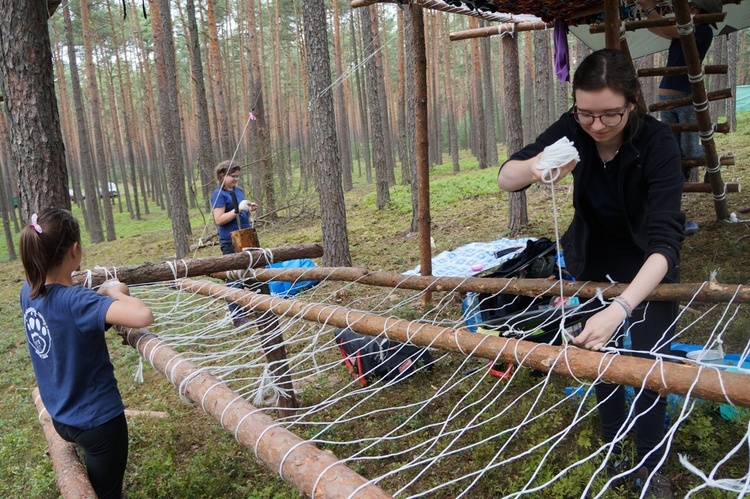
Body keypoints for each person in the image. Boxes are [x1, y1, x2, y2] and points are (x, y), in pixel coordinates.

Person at [498, 49, 684, 498]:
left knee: (649, 361)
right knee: (598, 356)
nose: (596, 126)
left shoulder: (659, 144)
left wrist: (621, 307)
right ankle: (612, 447)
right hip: (592, 262)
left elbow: (665, 244)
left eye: (609, 115)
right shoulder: (572, 129)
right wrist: (537, 166)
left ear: (633, 101)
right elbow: (507, 176)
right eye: (586, 114)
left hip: (647, 267)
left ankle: (650, 462)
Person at [20, 208, 154, 498]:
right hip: (98, 424)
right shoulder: (78, 302)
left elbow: (63, 313)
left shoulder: (27, 291)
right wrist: (115, 290)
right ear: (75, 250)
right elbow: (142, 315)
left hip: (62, 417)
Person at [211, 159, 258, 327]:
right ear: (223, 175)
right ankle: (238, 317)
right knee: (234, 278)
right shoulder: (218, 194)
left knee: (252, 273)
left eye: (238, 176)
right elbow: (219, 219)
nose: (236, 179)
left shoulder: (238, 191)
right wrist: (238, 208)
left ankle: (255, 308)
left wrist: (248, 207)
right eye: (233, 176)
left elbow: (240, 210)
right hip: (230, 240)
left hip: (245, 237)